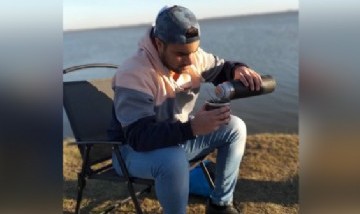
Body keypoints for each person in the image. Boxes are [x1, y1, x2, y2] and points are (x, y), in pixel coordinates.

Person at [109, 5, 262, 214]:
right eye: (181, 54)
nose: (190, 61)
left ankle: (220, 204)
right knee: (172, 159)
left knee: (235, 127)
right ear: (159, 43)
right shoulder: (134, 73)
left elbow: (223, 68)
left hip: (176, 140)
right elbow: (138, 136)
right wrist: (192, 128)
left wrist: (238, 69)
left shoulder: (192, 56)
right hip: (130, 152)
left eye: (194, 51)